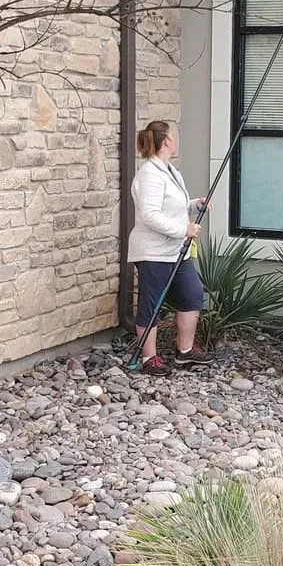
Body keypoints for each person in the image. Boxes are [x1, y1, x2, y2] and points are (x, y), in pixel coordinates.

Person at [127, 120, 212, 376]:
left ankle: (184, 352)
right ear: (166, 141)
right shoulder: (149, 174)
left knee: (192, 296)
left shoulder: (170, 171)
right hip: (153, 253)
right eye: (174, 136)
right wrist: (182, 230)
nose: (176, 140)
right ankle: (149, 358)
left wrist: (195, 204)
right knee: (151, 305)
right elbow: (150, 215)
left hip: (177, 251)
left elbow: (172, 205)